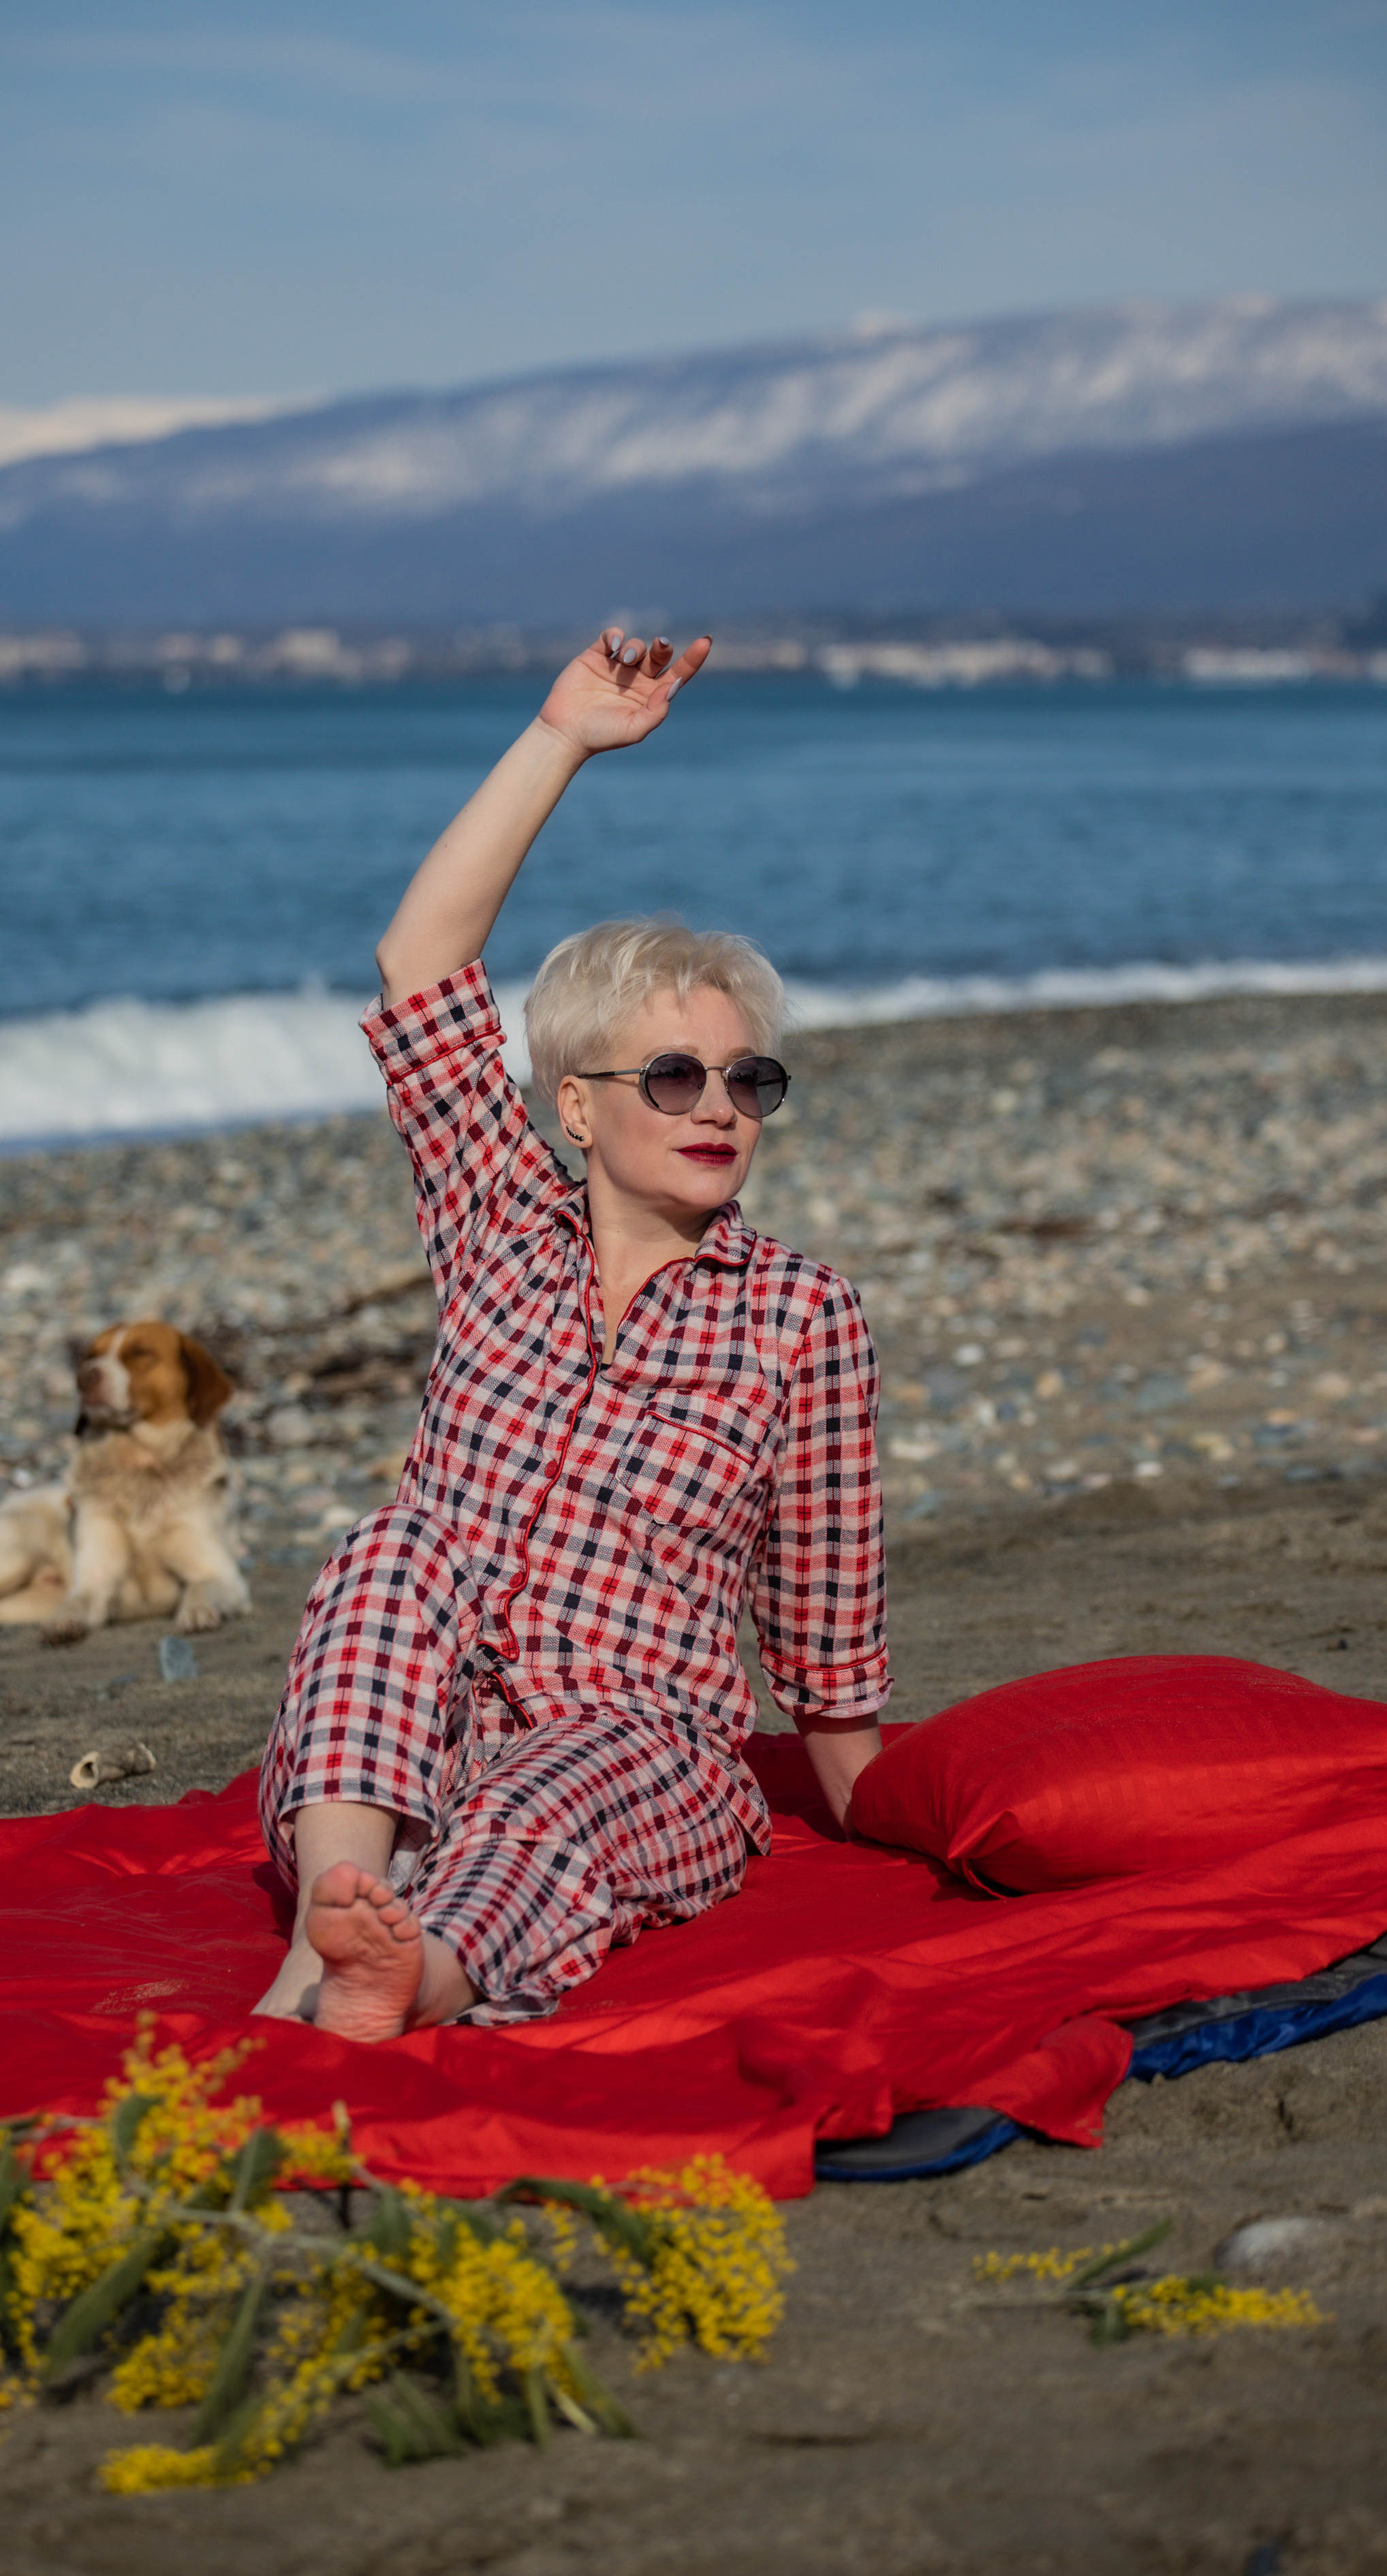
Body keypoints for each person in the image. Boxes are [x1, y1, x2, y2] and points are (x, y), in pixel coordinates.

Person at [254, 625, 887, 2041]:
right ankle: (325, 1930)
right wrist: (561, 740)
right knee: (390, 1549)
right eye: (671, 1075)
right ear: (576, 1105)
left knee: (557, 1790)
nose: (717, 1105)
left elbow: (824, 1642)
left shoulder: (798, 1313)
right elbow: (420, 959)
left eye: (747, 1077)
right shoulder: (494, 1219)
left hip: (642, 1753)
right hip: (419, 1733)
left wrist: (904, 1823)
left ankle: (398, 1981)